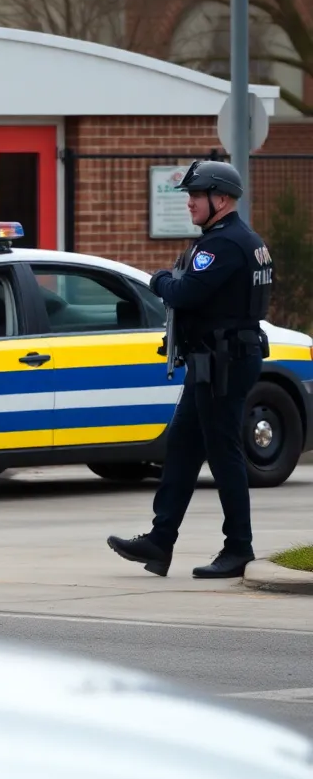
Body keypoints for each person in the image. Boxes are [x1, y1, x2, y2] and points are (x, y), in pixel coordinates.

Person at [108, 160, 273, 580]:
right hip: (216, 360)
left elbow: (184, 293)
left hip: (223, 362)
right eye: (190, 196)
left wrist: (159, 279)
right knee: (182, 447)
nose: (190, 203)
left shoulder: (222, 245)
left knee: (224, 454)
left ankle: (238, 547)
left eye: (197, 195)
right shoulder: (246, 240)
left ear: (222, 199)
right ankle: (160, 540)